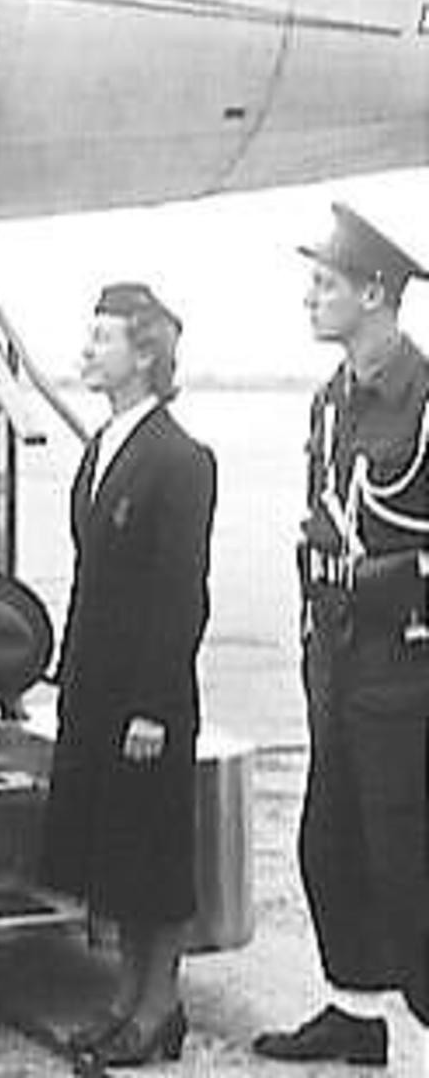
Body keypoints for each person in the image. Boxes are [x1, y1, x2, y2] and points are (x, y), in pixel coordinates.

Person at [252, 203, 429, 1066]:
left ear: (375, 292)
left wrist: (396, 583)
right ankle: (357, 1013)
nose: (309, 298)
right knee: (333, 840)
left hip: (407, 659)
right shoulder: (332, 400)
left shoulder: (424, 401)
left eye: (325, 284)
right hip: (336, 654)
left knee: (408, 849)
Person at [40, 282, 217, 1070]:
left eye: (102, 338)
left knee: (152, 853)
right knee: (114, 850)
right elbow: (92, 578)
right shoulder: (101, 446)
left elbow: (181, 594)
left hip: (149, 695)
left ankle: (159, 1005)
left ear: (145, 355)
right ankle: (124, 998)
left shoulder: (181, 459)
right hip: (95, 686)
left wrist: (152, 706)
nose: (87, 350)